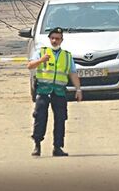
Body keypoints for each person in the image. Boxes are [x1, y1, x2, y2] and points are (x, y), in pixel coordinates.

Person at [26, 27, 82, 157]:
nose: (55, 41)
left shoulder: (67, 56)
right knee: (40, 117)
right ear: (49, 39)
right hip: (43, 90)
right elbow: (30, 66)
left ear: (61, 40)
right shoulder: (42, 52)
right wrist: (41, 60)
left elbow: (72, 73)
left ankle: (58, 147)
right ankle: (37, 145)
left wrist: (78, 89)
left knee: (60, 119)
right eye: (53, 38)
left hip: (59, 92)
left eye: (57, 38)